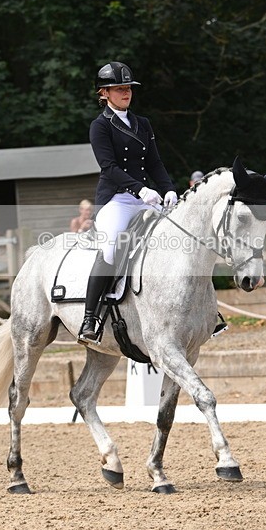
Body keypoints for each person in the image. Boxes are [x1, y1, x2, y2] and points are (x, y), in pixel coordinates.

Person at [79, 61, 177, 341]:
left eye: (128, 88)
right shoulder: (100, 126)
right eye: (119, 89)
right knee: (111, 247)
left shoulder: (142, 123)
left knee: (179, 235)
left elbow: (154, 162)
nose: (126, 93)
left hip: (146, 196)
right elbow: (109, 167)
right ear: (104, 93)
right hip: (117, 199)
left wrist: (169, 189)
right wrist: (140, 190)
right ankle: (90, 318)